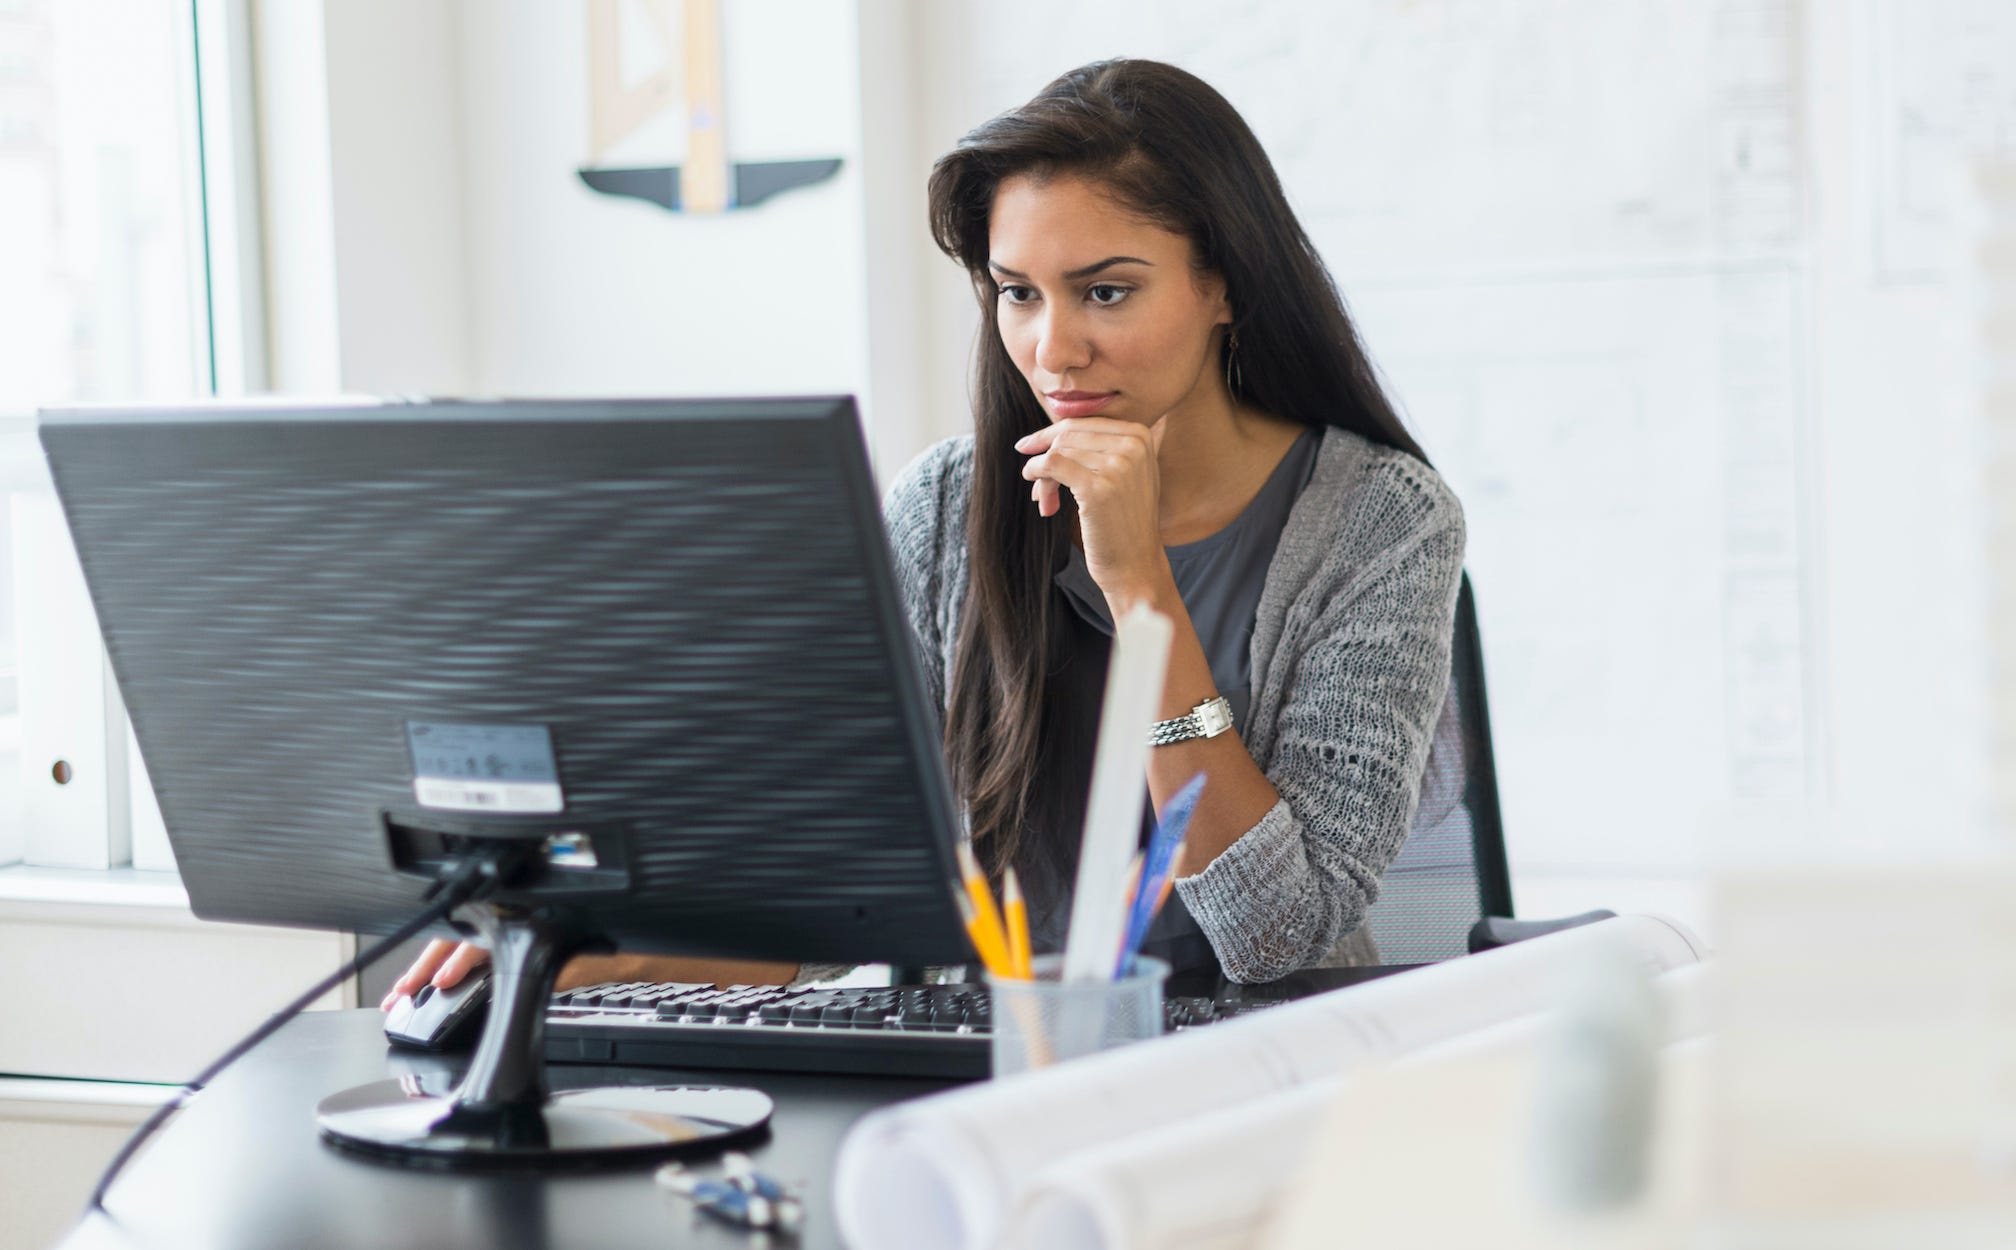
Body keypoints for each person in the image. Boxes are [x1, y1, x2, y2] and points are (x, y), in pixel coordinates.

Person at [385, 56, 1463, 1006]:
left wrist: (1142, 594)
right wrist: (617, 952)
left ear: (1224, 281)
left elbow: (1276, 939)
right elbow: (847, 892)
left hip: (1251, 1095)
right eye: (1018, 294)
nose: (1053, 350)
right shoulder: (948, 504)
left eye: (1105, 291)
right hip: (979, 1087)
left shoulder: (1381, 522)